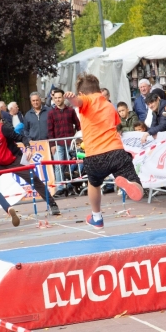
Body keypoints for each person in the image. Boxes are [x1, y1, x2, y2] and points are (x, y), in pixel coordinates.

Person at [63, 73, 143, 230]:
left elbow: (78, 102)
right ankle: (133, 185)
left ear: (81, 92)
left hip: (95, 155)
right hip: (116, 152)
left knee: (93, 183)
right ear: (98, 90)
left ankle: (97, 217)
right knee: (135, 181)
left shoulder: (86, 99)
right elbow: (115, 124)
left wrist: (72, 99)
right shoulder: (109, 105)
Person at [0, 113, 60, 216]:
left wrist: (28, 148)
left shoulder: (3, 128)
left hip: (14, 159)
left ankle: (53, 205)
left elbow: (22, 138)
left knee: (33, 178)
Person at [47, 88, 81, 196]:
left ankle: (71, 186)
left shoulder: (70, 111)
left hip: (71, 143)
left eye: (59, 97)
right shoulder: (51, 113)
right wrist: (52, 145)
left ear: (63, 97)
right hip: (58, 143)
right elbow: (50, 130)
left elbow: (78, 124)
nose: (57, 100)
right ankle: (60, 187)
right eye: (55, 98)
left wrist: (79, 139)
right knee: (58, 165)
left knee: (71, 165)